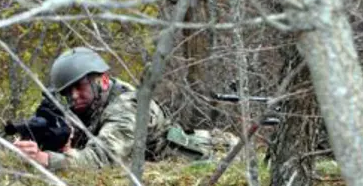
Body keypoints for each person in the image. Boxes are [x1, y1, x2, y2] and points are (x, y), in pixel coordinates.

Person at [15, 47, 236, 171]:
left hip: (217, 156)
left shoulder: (127, 108)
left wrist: (44, 158)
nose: (73, 96)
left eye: (80, 86)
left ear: (103, 80)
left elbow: (101, 160)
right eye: (67, 91)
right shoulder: (89, 105)